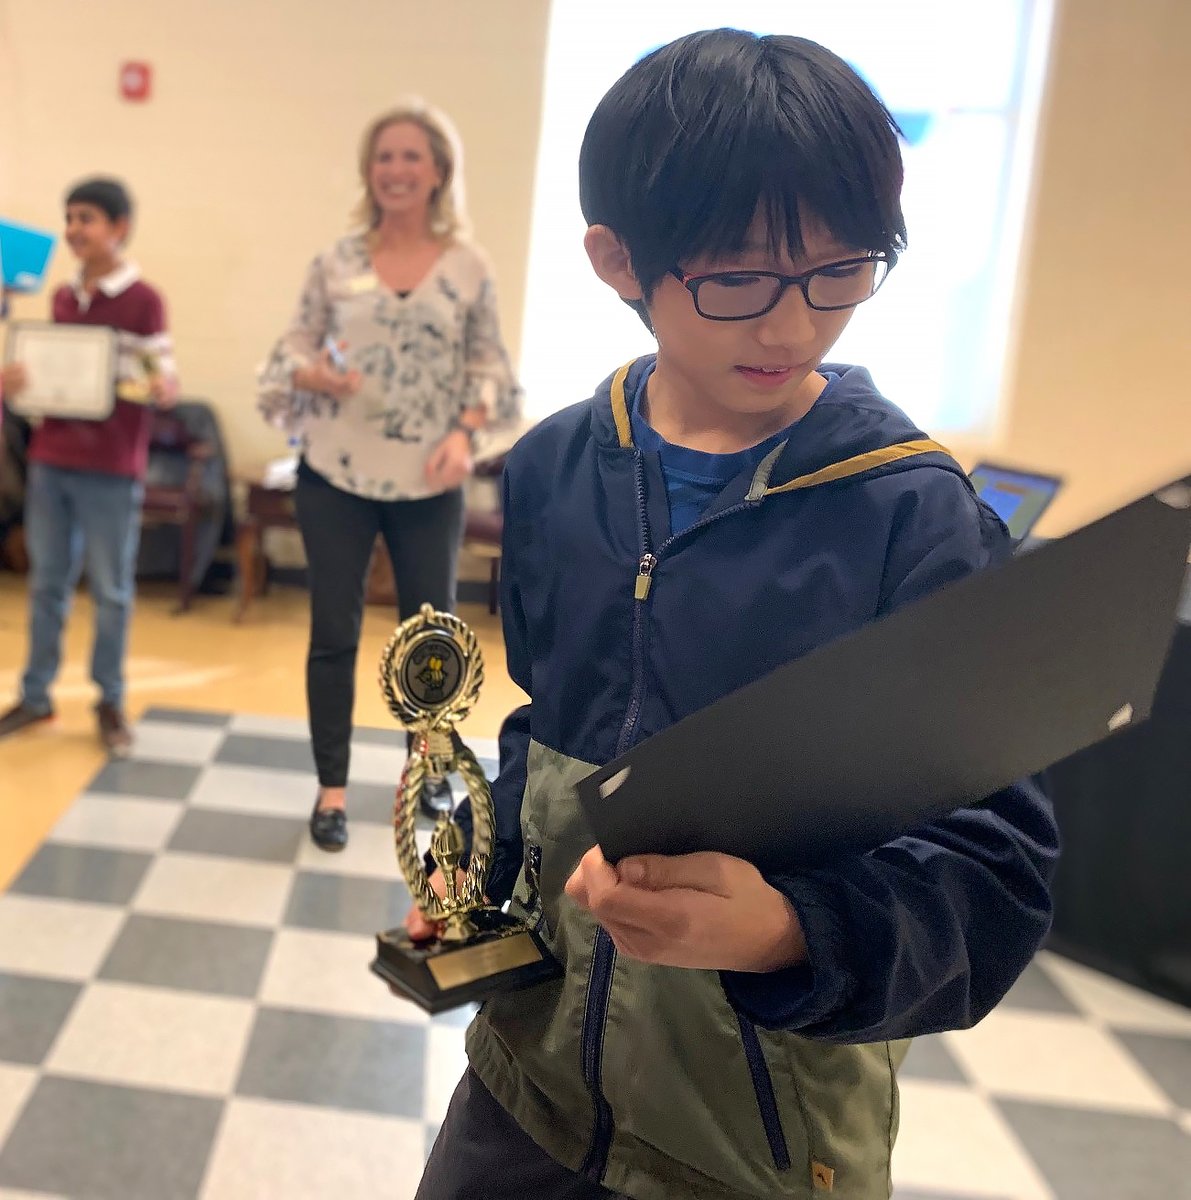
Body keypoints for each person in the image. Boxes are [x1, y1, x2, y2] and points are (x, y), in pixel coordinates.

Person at [412, 30, 1058, 1200]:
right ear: (617, 259)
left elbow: (994, 875)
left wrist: (789, 932)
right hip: (524, 1091)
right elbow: (545, 731)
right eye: (739, 279)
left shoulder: (916, 518)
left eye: (840, 271)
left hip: (759, 1147)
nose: (792, 325)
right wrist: (484, 887)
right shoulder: (558, 465)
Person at [257, 100, 520, 852]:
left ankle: (423, 778)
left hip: (427, 479)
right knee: (332, 631)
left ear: (438, 171)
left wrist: (466, 434)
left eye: (411, 156)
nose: (396, 170)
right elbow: (290, 356)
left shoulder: (468, 267)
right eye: (384, 157)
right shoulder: (334, 263)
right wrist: (315, 374)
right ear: (369, 173)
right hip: (334, 471)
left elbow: (488, 369)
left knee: (427, 638)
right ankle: (331, 789)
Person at [0, 178, 177, 755]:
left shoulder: (144, 299)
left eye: (88, 218)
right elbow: (52, 375)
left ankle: (110, 699)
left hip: (110, 466)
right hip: (52, 460)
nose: (75, 229)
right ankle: (36, 694)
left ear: (119, 226)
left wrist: (156, 386)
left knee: (110, 590)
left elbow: (159, 377)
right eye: (69, 218)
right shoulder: (61, 297)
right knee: (47, 582)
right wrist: (22, 383)